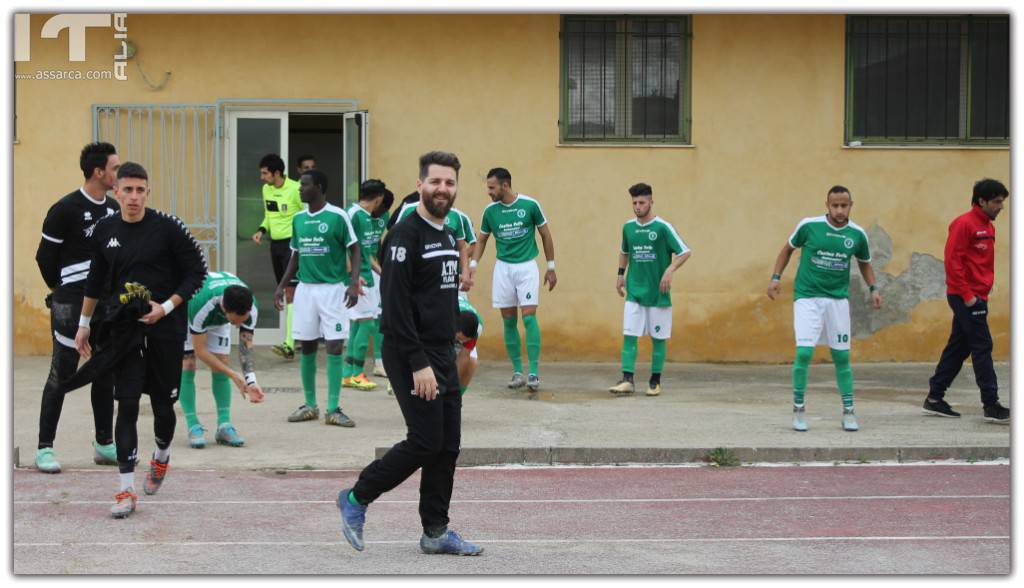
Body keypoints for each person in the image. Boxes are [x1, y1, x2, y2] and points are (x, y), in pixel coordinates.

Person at [338, 150, 483, 556]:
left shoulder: (445, 233)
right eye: (435, 181)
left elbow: (442, 299)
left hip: (441, 351)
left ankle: (436, 532)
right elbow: (396, 304)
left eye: (450, 182)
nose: (442, 189)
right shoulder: (406, 234)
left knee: (448, 444)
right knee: (424, 441)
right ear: (420, 184)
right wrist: (419, 362)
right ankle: (355, 499)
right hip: (410, 352)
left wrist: (454, 347)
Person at [74, 162, 208, 518]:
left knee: (164, 408)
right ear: (115, 192)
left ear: (148, 192)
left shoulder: (168, 229)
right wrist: (84, 323)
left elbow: (198, 272)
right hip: (125, 331)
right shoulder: (105, 230)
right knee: (127, 404)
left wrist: (165, 307)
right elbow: (95, 279)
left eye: (140, 190)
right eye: (127, 189)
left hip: (166, 329)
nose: (133, 197)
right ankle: (125, 490)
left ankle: (162, 454)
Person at [33, 142, 121, 473]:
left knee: (104, 370)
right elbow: (44, 258)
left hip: (106, 302)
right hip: (71, 300)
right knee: (63, 369)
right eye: (114, 168)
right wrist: (60, 292)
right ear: (99, 172)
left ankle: (104, 444)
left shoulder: (113, 209)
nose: (117, 173)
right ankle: (44, 448)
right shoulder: (64, 209)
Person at [766, 185, 881, 432]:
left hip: (838, 301)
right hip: (807, 297)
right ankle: (798, 410)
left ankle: (849, 412)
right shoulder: (809, 226)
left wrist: (874, 289)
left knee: (841, 357)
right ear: (827, 205)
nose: (839, 210)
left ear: (851, 205)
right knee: (805, 353)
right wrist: (776, 277)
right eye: (835, 205)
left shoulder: (858, 234)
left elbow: (865, 263)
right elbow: (787, 250)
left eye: (844, 205)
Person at [274, 169, 362, 427]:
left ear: (319, 187)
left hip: (333, 290)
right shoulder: (299, 219)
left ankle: (333, 408)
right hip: (305, 290)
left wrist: (353, 283)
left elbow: (355, 249)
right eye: (300, 185)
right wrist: (281, 286)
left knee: (334, 345)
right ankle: (310, 404)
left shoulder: (338, 216)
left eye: (304, 185)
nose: (300, 189)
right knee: (307, 345)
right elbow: (295, 255)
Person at [922, 179, 1009, 424]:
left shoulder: (988, 226)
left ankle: (935, 398)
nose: (1001, 206)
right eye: (997, 201)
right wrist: (969, 298)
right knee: (983, 347)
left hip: (977, 297)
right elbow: (953, 263)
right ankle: (991, 405)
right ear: (981, 201)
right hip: (966, 297)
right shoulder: (963, 224)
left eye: (1002, 201)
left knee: (959, 347)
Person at [469, 167, 556, 394]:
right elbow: (482, 240)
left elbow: (546, 234)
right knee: (508, 321)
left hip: (527, 267)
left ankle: (533, 372)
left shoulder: (529, 205)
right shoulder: (490, 212)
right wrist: (473, 266)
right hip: (503, 269)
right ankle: (517, 371)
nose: (489, 192)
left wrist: (551, 267)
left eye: (491, 187)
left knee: (528, 318)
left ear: (504, 185)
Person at [609, 183, 691, 397]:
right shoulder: (628, 227)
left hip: (658, 295)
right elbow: (624, 251)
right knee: (629, 335)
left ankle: (655, 381)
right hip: (634, 291)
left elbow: (684, 252)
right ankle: (627, 380)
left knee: (658, 339)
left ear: (651, 202)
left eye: (642, 202)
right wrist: (620, 274)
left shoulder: (662, 227)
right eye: (634, 203)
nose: (637, 206)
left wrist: (670, 270)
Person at [181, 271, 265, 450]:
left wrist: (251, 381)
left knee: (221, 362)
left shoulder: (251, 308)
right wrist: (234, 375)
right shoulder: (201, 304)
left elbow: (245, 347)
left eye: (241, 321)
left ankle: (224, 425)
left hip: (218, 320)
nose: (236, 325)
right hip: (187, 315)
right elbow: (201, 351)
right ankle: (193, 425)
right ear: (224, 309)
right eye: (234, 321)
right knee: (188, 364)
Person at [251, 153, 303, 360]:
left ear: (277, 173)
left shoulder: (296, 188)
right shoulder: (266, 189)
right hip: (276, 245)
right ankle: (293, 338)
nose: (262, 177)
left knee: (290, 292)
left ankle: (290, 343)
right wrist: (261, 230)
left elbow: (306, 214)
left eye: (265, 173)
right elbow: (269, 215)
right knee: (284, 292)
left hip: (292, 244)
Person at [343, 179, 389, 391]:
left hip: (365, 275)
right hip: (359, 277)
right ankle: (358, 374)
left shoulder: (358, 214)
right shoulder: (356, 215)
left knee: (357, 324)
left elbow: (365, 251)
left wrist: (381, 271)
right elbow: (345, 247)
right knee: (368, 323)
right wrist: (353, 277)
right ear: (379, 198)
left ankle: (347, 374)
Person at [370, 188, 395, 378]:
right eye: (383, 207)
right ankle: (351, 370)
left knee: (378, 316)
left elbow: (380, 240)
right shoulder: (357, 216)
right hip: (362, 272)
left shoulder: (384, 216)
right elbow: (360, 250)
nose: (384, 212)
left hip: (375, 269)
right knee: (364, 321)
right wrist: (381, 269)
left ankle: (379, 363)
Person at [455, 297, 483, 396]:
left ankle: (456, 399)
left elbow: (464, 356)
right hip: (440, 331)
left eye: (465, 340)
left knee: (472, 362)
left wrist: (452, 387)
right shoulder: (444, 320)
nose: (461, 342)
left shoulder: (477, 328)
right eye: (459, 338)